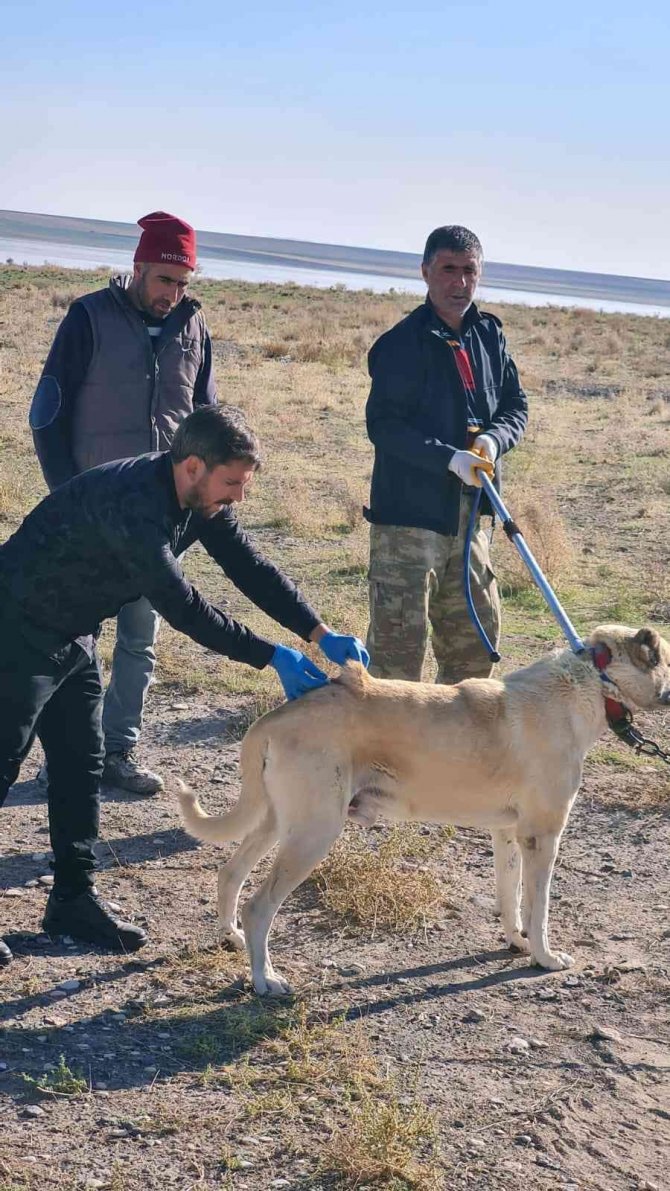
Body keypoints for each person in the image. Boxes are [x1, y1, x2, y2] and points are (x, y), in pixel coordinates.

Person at [0, 404, 369, 965]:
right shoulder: (134, 506)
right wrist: (272, 656)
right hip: (14, 626)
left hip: (72, 633)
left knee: (82, 765)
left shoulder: (198, 499)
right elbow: (183, 607)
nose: (238, 497)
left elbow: (249, 566)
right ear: (193, 466)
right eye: (232, 484)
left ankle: (72, 899)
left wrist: (318, 630)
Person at [30, 211, 217, 796]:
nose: (173, 293)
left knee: (140, 639)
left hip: (157, 520)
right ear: (139, 269)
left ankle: (117, 753)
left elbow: (207, 424)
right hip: (88, 513)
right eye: (165, 279)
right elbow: (47, 413)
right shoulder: (88, 318)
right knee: (67, 639)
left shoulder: (194, 329)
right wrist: (68, 497)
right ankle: (57, 752)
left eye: (183, 283)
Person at [364, 224, 528, 683]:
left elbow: (516, 406)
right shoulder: (400, 344)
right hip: (408, 520)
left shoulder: (490, 335)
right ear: (425, 272)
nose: (459, 283)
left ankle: (454, 751)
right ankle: (386, 753)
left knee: (475, 649)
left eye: (469, 271)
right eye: (448, 270)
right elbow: (385, 427)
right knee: (398, 654)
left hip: (473, 516)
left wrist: (493, 440)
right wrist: (449, 458)